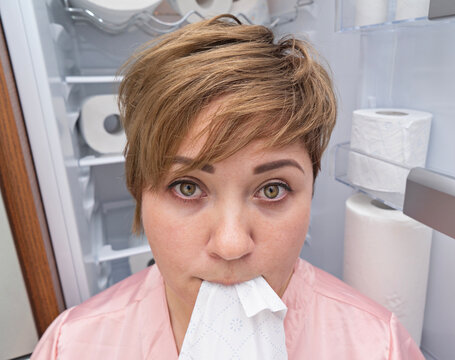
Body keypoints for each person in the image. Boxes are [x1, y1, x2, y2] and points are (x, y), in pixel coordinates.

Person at [32, 15, 424, 359]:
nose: (232, 245)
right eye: (187, 187)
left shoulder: (377, 347)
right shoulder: (71, 346)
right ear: (139, 190)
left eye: (272, 190)